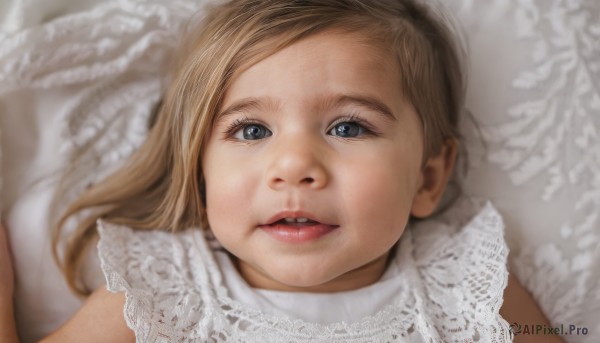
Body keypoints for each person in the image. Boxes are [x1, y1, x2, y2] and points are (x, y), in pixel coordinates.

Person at [1, 0, 564, 342]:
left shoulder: (466, 285)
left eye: (348, 128)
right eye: (251, 131)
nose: (294, 166)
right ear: (199, 175)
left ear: (427, 178)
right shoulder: (159, 292)